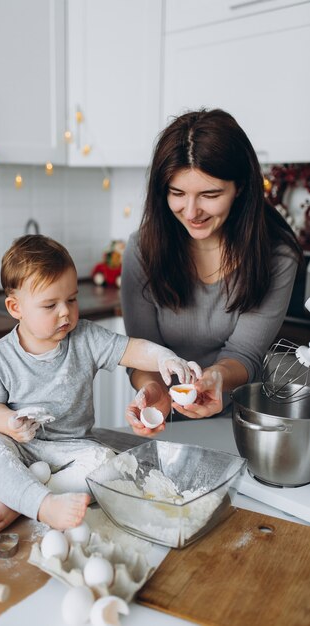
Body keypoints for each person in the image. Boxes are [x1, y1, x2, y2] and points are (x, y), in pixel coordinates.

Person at [0, 234, 201, 534]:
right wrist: (9, 422)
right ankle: (42, 502)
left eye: (72, 299)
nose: (65, 312)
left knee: (107, 463)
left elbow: (131, 350)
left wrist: (164, 358)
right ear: (16, 308)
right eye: (50, 305)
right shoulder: (0, 356)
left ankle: (23, 497)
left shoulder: (86, 338)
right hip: (22, 446)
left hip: (76, 448)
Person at [121, 108, 303, 436]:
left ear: (242, 188)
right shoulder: (142, 249)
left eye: (210, 195)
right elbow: (141, 352)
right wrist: (155, 392)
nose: (191, 212)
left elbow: (244, 354)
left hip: (242, 421)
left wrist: (216, 378)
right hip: (165, 420)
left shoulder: (276, 256)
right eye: (177, 194)